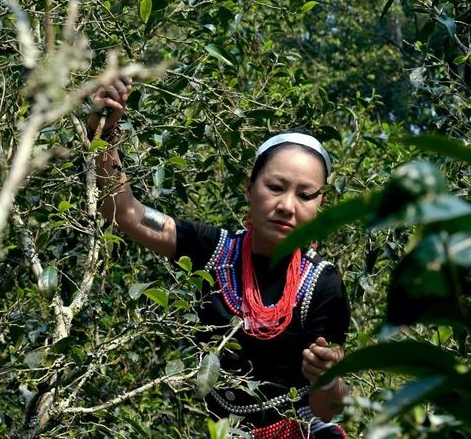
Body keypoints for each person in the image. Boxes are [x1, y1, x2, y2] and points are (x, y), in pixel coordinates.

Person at [87, 76, 351, 439]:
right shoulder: (213, 250)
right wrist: (105, 134)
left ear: (321, 207)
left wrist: (328, 377)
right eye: (275, 187)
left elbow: (329, 409)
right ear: (249, 187)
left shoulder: (323, 284)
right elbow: (126, 211)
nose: (287, 206)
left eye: (305, 195)